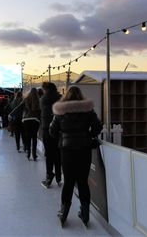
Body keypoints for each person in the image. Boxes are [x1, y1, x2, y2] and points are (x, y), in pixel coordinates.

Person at [49, 86, 102, 227]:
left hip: (67, 151)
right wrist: (88, 136)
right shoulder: (88, 110)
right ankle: (85, 213)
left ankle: (64, 211)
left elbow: (52, 131)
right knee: (83, 182)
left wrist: (63, 136)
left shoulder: (60, 110)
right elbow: (98, 127)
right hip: (84, 150)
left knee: (69, 182)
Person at [40, 82, 62, 189]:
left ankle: (49, 177)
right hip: (59, 129)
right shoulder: (60, 98)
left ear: (45, 89)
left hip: (46, 129)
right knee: (58, 153)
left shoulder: (43, 99)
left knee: (49, 154)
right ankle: (58, 177)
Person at [22, 88, 41, 161]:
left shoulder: (26, 99)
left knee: (28, 137)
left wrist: (11, 114)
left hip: (26, 119)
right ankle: (34, 154)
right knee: (34, 137)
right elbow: (40, 111)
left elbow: (20, 107)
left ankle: (28, 153)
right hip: (35, 120)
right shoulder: (38, 100)